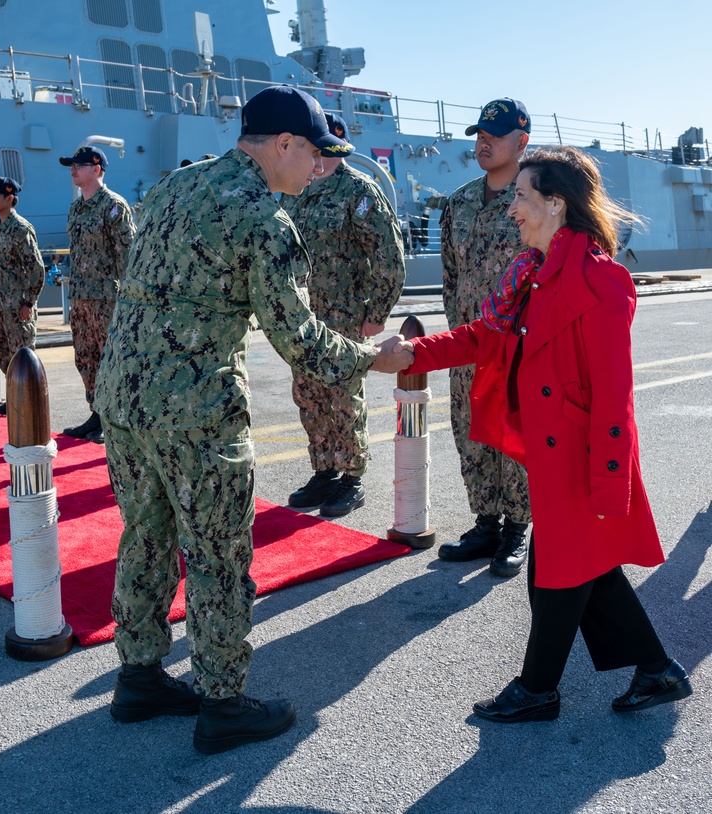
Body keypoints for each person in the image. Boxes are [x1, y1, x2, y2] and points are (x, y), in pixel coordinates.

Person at [93, 86, 413, 754]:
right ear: (285, 144)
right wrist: (371, 359)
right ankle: (222, 703)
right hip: (195, 412)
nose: (321, 167)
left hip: (123, 401)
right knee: (217, 555)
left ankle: (140, 677)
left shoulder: (178, 186)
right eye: (317, 152)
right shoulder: (264, 219)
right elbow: (299, 341)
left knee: (144, 538)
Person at [402, 145, 692, 722]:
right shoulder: (530, 275)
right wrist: (411, 352)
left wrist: (611, 483)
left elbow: (615, 397)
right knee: (584, 568)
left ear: (556, 204)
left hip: (584, 461)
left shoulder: (600, 282)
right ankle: (656, 671)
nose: (512, 207)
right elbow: (484, 336)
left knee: (558, 574)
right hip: (550, 454)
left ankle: (537, 689)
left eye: (522, 196)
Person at [281, 113, 405, 517]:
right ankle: (324, 470)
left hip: (346, 317)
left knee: (343, 399)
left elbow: (388, 254)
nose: (323, 157)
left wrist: (377, 312)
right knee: (309, 395)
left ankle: (352, 477)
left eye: (330, 149)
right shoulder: (296, 188)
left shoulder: (359, 191)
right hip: (304, 318)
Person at [437, 98, 534, 578]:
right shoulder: (459, 202)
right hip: (469, 343)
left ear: (522, 142)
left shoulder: (535, 198)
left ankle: (519, 528)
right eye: (479, 134)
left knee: (513, 437)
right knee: (470, 431)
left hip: (519, 344)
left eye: (494, 135)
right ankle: (485, 523)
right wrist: (457, 326)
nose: (483, 142)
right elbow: (450, 275)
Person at [59, 145, 135, 445]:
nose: (73, 169)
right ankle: (96, 413)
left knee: (109, 360)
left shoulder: (114, 206)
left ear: (97, 169)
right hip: (81, 297)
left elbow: (127, 255)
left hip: (107, 299)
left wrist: (129, 301)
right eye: (71, 165)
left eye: (78, 165)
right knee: (86, 359)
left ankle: (113, 418)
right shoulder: (76, 208)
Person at [0, 176, 45, 381]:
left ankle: (30, 404)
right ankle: (13, 400)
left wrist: (28, 302)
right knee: (2, 354)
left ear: (9, 198)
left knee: (23, 356)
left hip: (17, 307)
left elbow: (36, 268)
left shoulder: (21, 229)